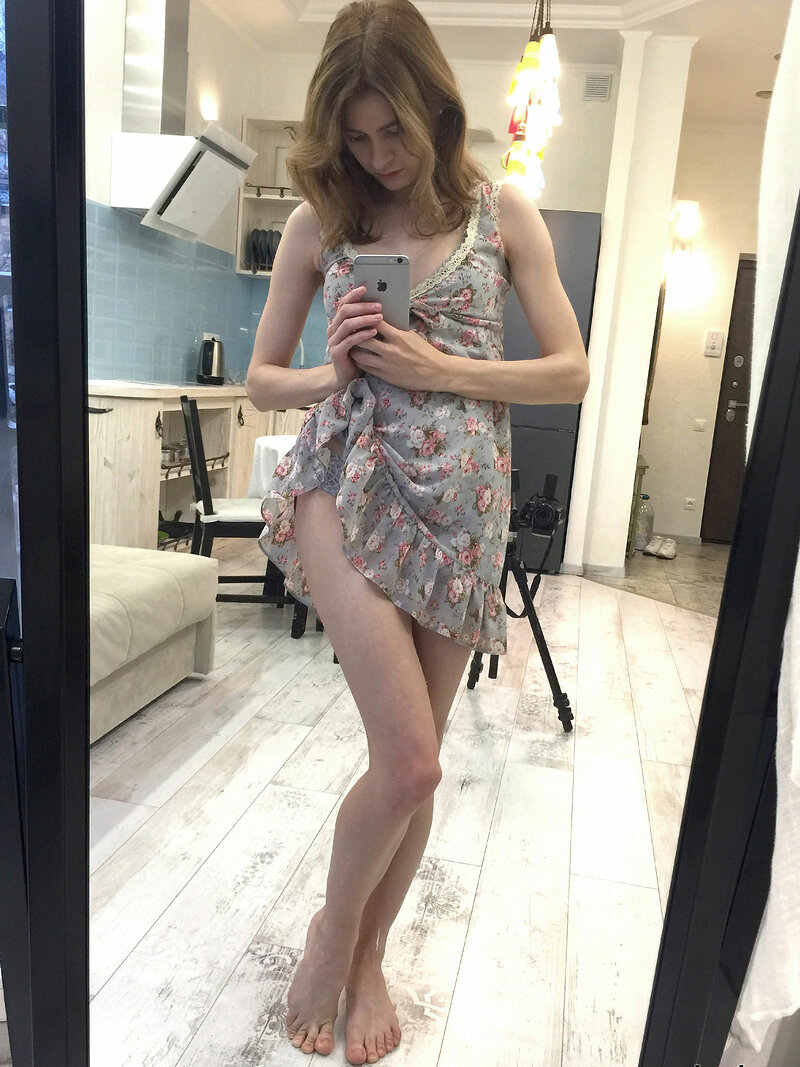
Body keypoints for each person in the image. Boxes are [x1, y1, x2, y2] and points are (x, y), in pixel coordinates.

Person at [246, 1, 588, 1061]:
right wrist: (335, 369)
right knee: (407, 759)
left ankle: (368, 954)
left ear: (435, 106)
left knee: (420, 761)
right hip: (345, 484)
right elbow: (262, 380)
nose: (378, 155)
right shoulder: (319, 224)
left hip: (462, 505)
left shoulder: (502, 211)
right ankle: (330, 931)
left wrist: (444, 367)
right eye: (355, 136)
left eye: (392, 129)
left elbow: (571, 371)